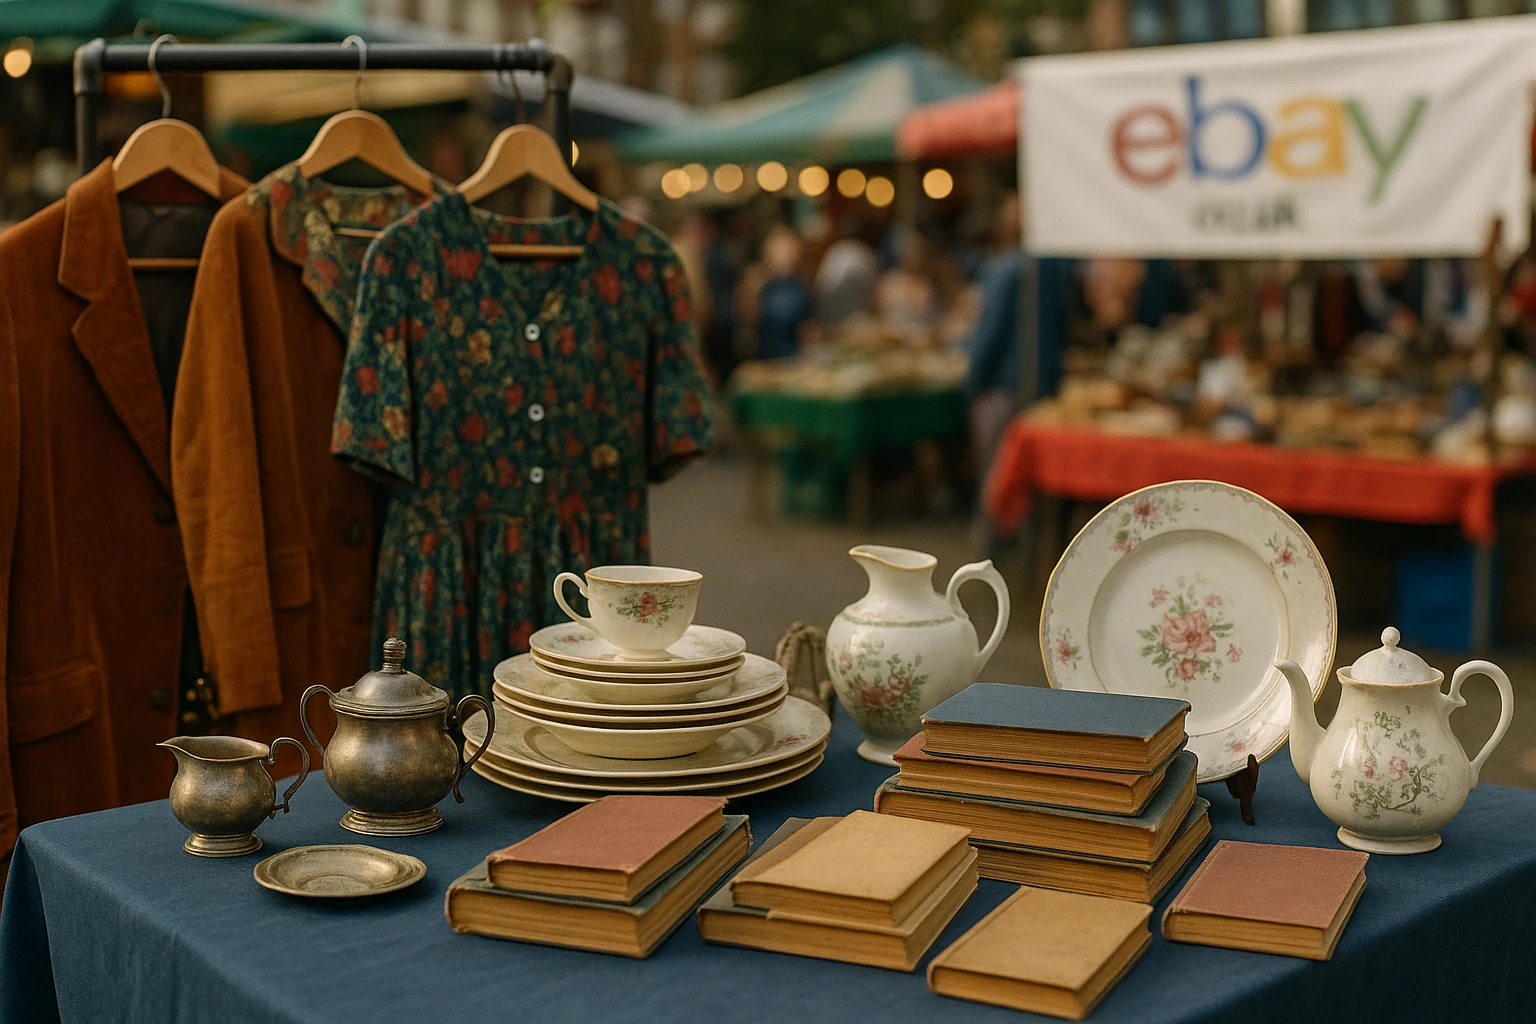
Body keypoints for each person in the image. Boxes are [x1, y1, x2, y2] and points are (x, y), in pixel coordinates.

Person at [744, 225, 812, 361]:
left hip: (796, 357)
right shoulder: (758, 281)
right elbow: (747, 329)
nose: (788, 253)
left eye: (790, 248)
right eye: (782, 249)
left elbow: (806, 326)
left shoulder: (799, 284)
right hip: (766, 358)